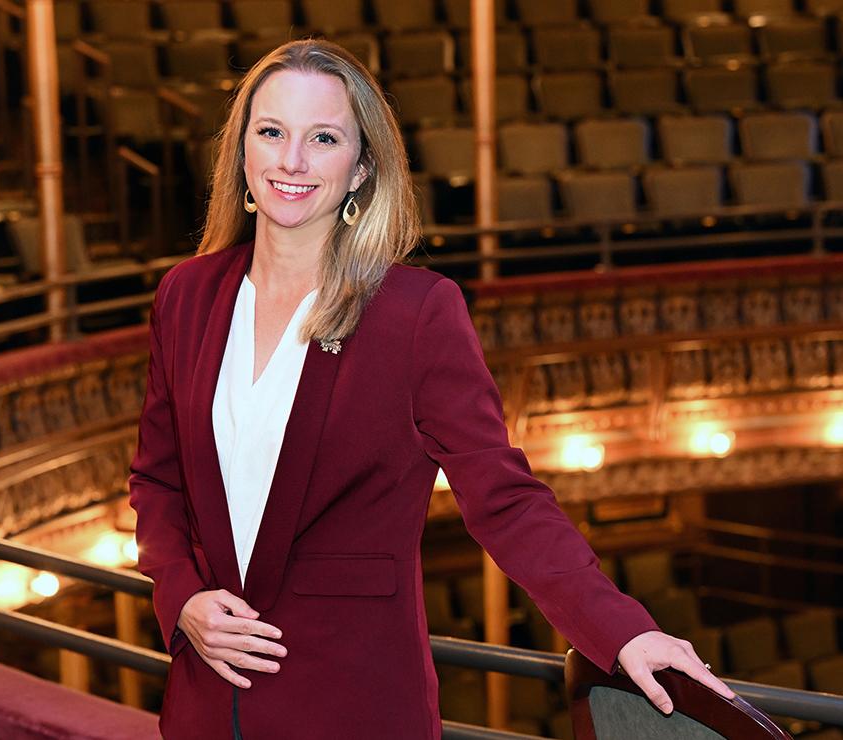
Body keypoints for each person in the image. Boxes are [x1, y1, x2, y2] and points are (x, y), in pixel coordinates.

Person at [128, 38, 735, 740]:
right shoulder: (186, 296)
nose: (291, 161)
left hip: (354, 708)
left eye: (323, 138)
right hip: (205, 710)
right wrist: (183, 599)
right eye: (272, 133)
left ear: (361, 168)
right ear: (242, 152)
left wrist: (622, 633)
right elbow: (156, 479)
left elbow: (503, 499)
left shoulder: (414, 313)